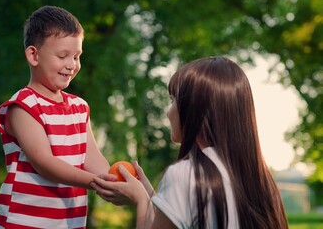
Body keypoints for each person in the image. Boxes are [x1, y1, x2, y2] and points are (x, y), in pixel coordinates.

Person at [91, 56, 288, 229]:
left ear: (195, 110)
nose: (168, 113)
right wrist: (152, 197)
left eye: (173, 100)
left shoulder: (185, 175)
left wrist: (141, 200)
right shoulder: (262, 182)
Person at [0, 5, 110, 229]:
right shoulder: (24, 105)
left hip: (69, 221)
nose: (71, 65)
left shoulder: (79, 107)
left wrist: (113, 180)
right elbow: (44, 163)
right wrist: (96, 183)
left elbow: (93, 160)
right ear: (33, 55)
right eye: (63, 55)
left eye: (76, 56)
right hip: (24, 220)